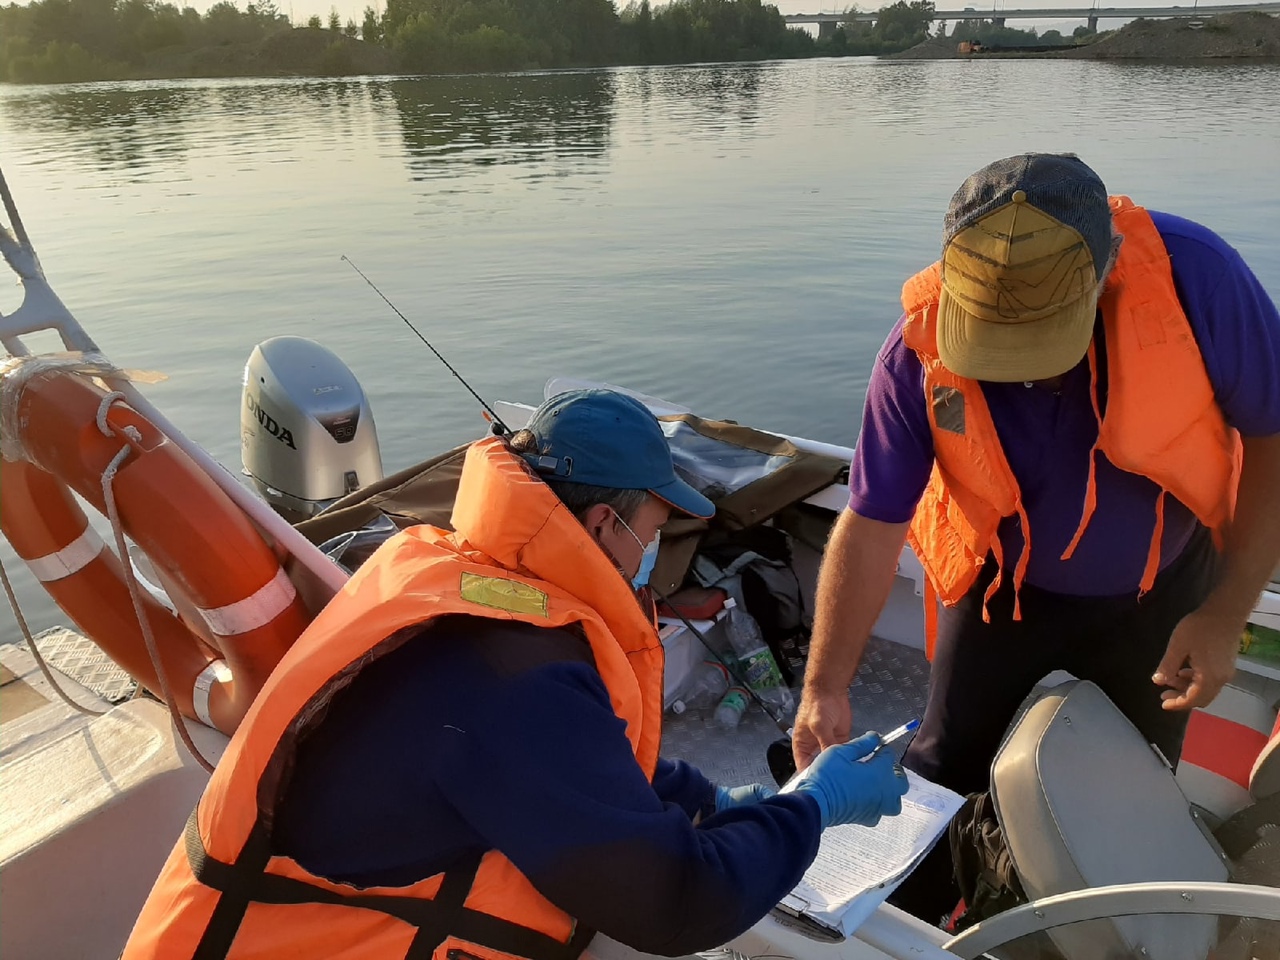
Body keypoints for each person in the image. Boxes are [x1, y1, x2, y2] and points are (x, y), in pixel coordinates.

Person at [123, 388, 909, 960]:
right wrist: (813, 808)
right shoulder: (517, 681)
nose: (657, 549)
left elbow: (569, 757)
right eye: (656, 525)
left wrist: (710, 800)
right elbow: (675, 905)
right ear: (606, 523)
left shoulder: (457, 573)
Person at [792, 152, 1280, 923]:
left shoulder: (1200, 282)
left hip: (1161, 598)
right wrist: (825, 686)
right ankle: (905, 933)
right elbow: (874, 515)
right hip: (999, 591)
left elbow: (1273, 439)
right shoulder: (915, 347)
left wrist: (1225, 614)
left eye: (1043, 339)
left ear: (1108, 268)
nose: (1022, 374)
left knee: (1122, 793)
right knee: (940, 779)